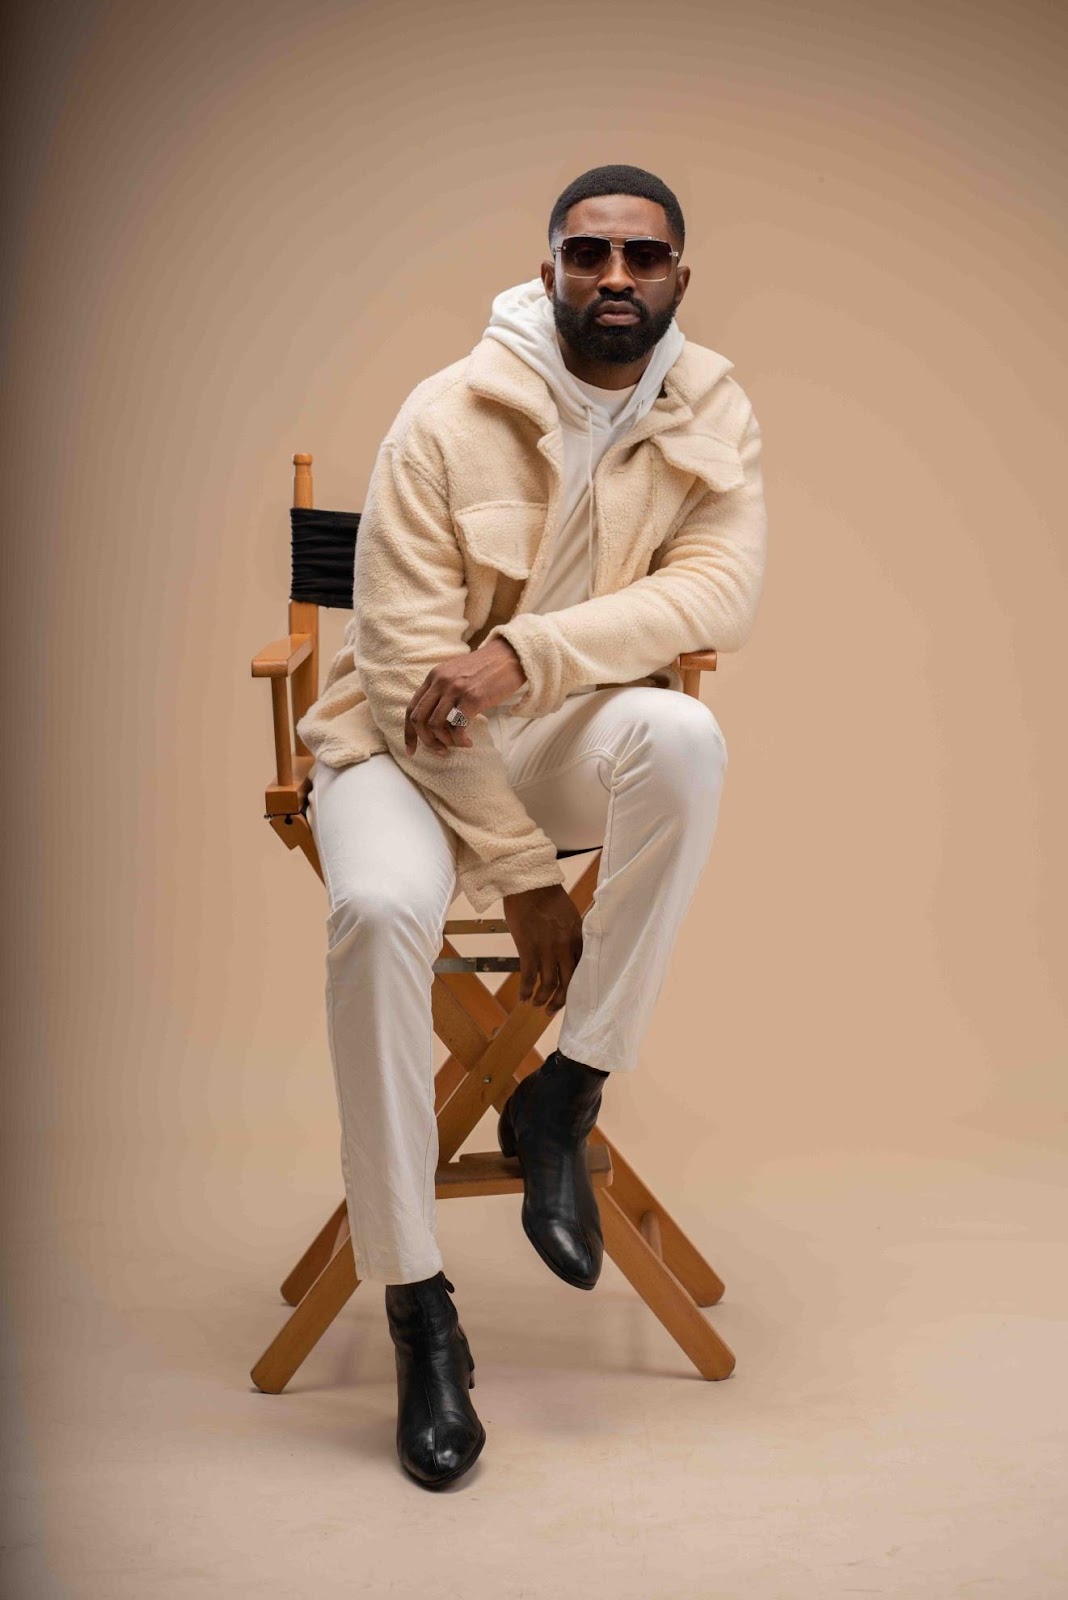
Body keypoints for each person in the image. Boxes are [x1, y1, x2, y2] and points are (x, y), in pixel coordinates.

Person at [295, 163, 769, 1488]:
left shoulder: (711, 409)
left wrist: (524, 653)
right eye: (589, 253)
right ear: (549, 265)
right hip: (399, 745)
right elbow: (405, 670)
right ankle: (418, 1306)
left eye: (642, 256)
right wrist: (519, 871)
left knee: (684, 737)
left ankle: (567, 1092)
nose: (616, 276)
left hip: (549, 725)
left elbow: (720, 592)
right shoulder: (445, 413)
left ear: (679, 275)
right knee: (376, 912)